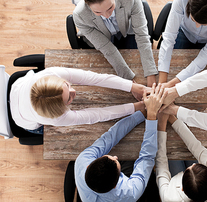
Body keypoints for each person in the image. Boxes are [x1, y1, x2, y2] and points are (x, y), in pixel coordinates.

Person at [74, 83, 166, 201]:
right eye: (116, 162)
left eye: (111, 158)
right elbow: (146, 158)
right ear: (115, 185)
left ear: (88, 165)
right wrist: (152, 115)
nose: (115, 157)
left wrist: (143, 113)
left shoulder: (83, 160)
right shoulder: (130, 193)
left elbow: (110, 137)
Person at [10, 67, 148, 133]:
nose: (74, 91)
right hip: (22, 119)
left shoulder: (50, 74)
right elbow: (97, 115)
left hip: (17, 87)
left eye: (67, 85)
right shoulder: (57, 118)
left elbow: (94, 78)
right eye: (69, 98)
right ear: (60, 109)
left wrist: (135, 87)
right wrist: (138, 106)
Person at [73, 0, 158, 86]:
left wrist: (150, 74)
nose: (107, 16)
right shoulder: (80, 15)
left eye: (110, 8)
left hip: (126, 30)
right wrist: (128, 83)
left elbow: (142, 37)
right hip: (102, 36)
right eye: (97, 12)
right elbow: (107, 49)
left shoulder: (130, 1)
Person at [158, 0, 207, 85]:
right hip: (185, 32)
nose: (197, 26)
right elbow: (169, 38)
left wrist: (172, 84)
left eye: (204, 24)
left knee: (205, 78)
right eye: (192, 19)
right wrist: (161, 83)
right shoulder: (181, 1)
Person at [156, 114, 207, 201]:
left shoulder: (169, 197)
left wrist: (161, 125)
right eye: (196, 165)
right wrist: (173, 119)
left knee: (172, 154)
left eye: (190, 167)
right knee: (189, 153)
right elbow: (199, 150)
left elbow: (161, 166)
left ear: (182, 188)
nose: (194, 163)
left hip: (177, 187)